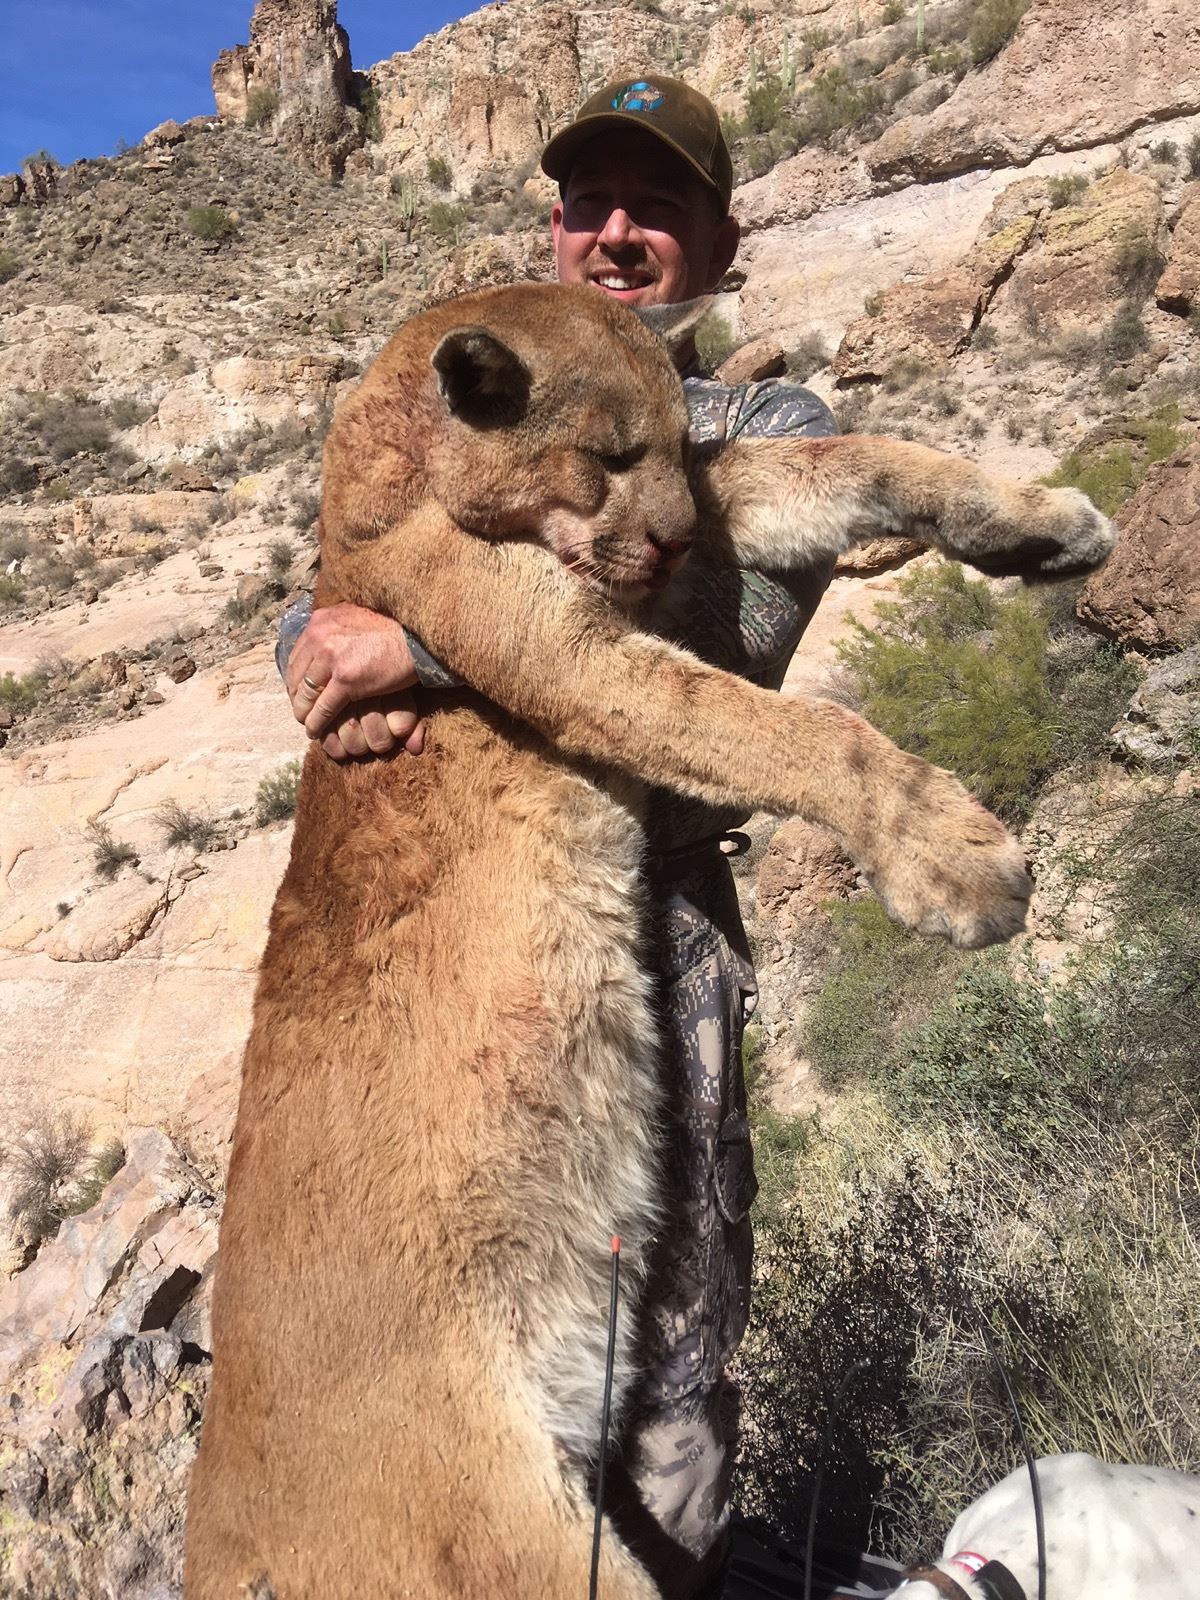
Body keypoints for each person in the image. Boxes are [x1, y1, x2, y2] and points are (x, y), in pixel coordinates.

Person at [277, 76, 838, 1600]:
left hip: (653, 968)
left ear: (722, 242)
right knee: (455, 1379)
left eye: (660, 207)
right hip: (450, 974)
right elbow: (331, 598)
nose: (617, 235)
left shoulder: (765, 430)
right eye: (592, 203)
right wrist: (315, 649)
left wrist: (421, 656)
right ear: (552, 228)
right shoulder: (479, 401)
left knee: (658, 1398)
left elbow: (721, 644)